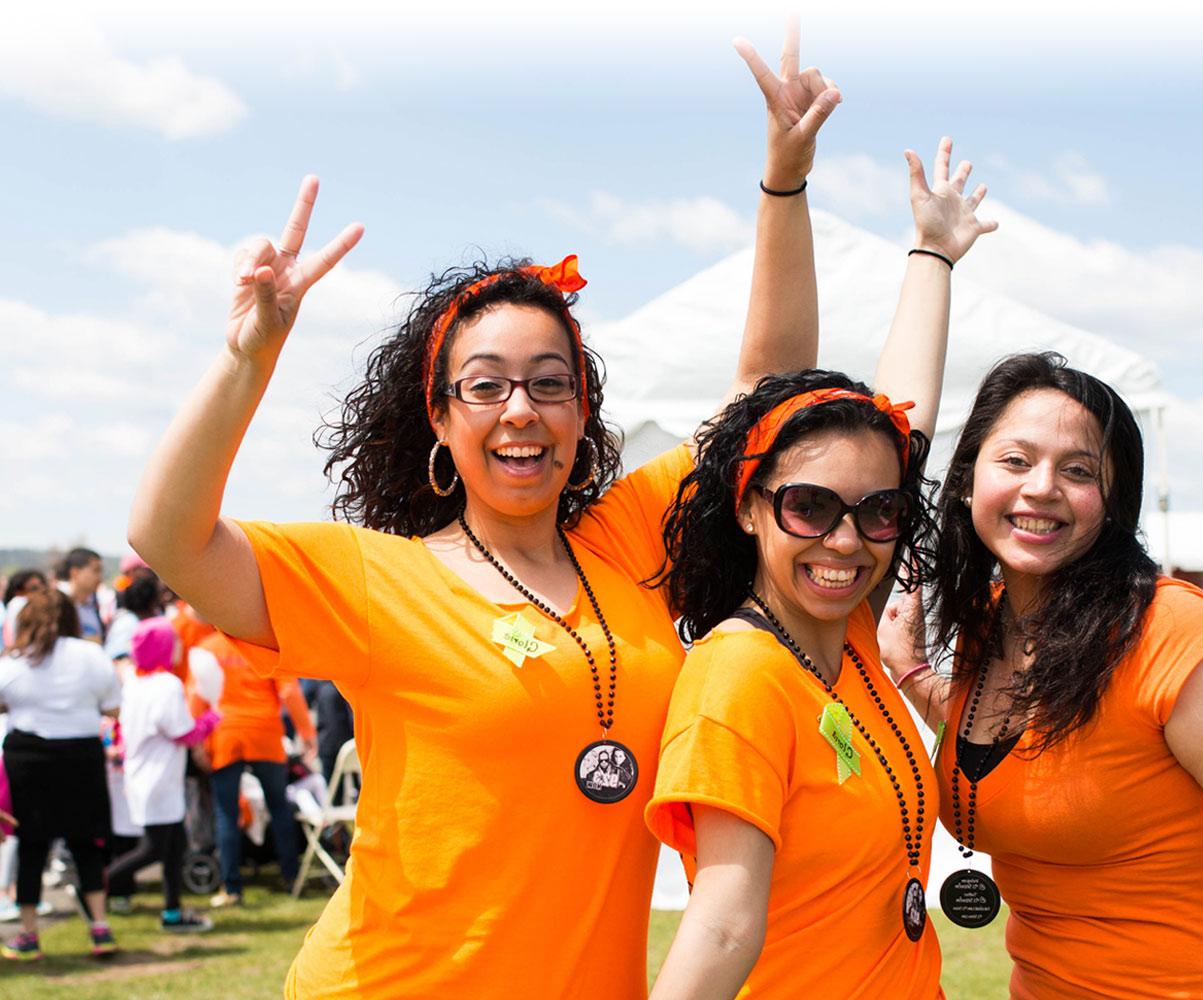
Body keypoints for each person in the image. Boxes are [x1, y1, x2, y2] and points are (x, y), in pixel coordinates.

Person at [127, 25, 836, 997]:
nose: (521, 411)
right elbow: (168, 538)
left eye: (550, 383)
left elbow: (771, 395)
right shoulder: (378, 576)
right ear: (440, 416)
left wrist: (785, 183)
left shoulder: (627, 537)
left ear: (584, 411)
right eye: (487, 385)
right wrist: (248, 357)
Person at [880, 352, 1203, 999]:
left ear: (1112, 500)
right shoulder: (988, 626)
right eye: (1016, 461)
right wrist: (911, 672)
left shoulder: (1168, 628)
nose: (1042, 486)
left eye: (1078, 470)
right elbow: (1025, 743)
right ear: (968, 481)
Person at [646, 133, 994, 999]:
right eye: (809, 507)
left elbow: (902, 421)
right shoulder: (742, 676)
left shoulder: (848, 639)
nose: (845, 540)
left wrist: (934, 257)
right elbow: (724, 921)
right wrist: (786, 181)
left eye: (877, 512)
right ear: (751, 506)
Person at [0, 590, 122, 961]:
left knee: (33, 845)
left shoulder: (16, 661)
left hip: (28, 756)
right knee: (86, 842)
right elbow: (114, 708)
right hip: (80, 755)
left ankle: (28, 933)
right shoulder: (91, 654)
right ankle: (100, 928)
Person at [105, 617, 220, 930]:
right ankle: (96, 883)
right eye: (175, 641)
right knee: (154, 849)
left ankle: (172, 912)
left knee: (174, 847)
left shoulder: (134, 684)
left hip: (145, 776)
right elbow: (182, 732)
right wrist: (211, 719)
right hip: (159, 780)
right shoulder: (167, 686)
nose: (180, 646)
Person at [192, 628, 315, 907]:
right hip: (265, 731)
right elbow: (289, 691)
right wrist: (307, 733)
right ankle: (292, 876)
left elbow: (196, 696)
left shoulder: (207, 647)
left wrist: (197, 742)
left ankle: (232, 887)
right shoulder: (263, 645)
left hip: (226, 732)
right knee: (279, 806)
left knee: (227, 812)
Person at [56, 548, 107, 644]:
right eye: (96, 570)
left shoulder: (94, 603)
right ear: (75, 572)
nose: (100, 577)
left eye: (100, 571)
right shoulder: (57, 602)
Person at [2, 569, 47, 650]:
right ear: (18, 592)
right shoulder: (18, 603)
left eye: (43, 587)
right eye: (34, 589)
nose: (41, 592)